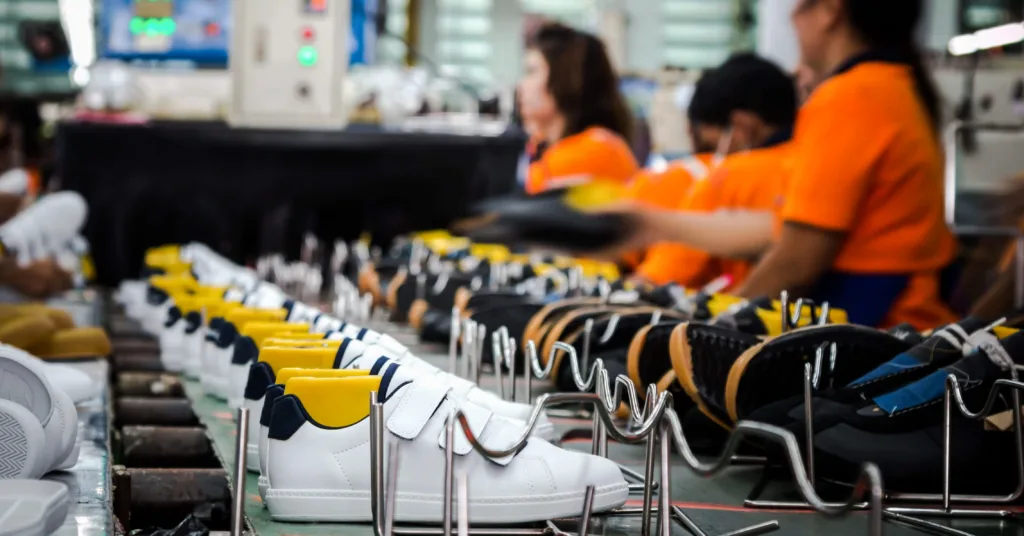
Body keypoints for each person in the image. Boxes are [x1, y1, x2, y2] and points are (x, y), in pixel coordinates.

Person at [601, 0, 956, 330]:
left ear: (831, 9)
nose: (792, 19)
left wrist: (718, 330)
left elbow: (797, 260)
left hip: (873, 333)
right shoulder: (896, 87)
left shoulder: (853, 96)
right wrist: (658, 224)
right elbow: (785, 232)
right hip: (904, 326)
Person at [632, 53, 798, 291]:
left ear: (742, 125)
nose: (709, 159)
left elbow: (653, 282)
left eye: (711, 145)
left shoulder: (730, 176)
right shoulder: (825, 163)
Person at [519, 22, 638, 195]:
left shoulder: (591, 153)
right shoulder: (543, 147)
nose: (522, 86)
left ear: (564, 79)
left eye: (532, 72)